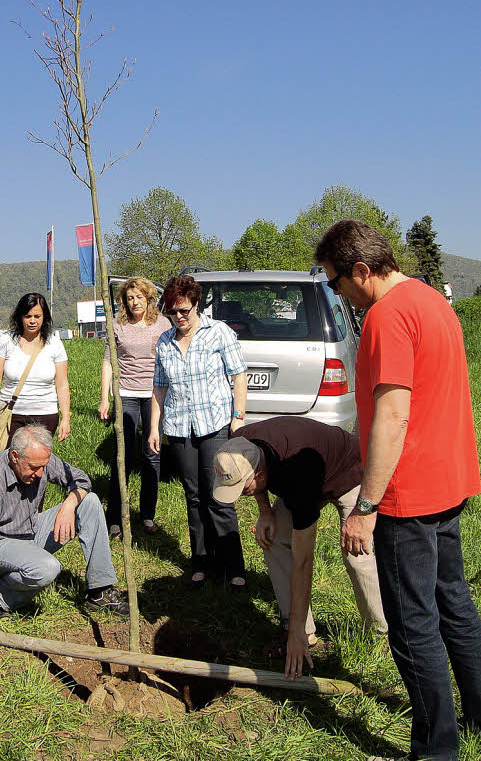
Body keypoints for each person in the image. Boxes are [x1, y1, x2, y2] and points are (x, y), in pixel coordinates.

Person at [314, 219, 481, 761]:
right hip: (450, 481)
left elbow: (391, 415)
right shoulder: (432, 300)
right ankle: (476, 714)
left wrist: (364, 506)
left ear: (361, 270)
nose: (338, 293)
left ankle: (437, 749)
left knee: (413, 626)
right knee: (453, 602)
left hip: (407, 494)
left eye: (337, 282)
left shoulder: (386, 316)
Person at [212, 417, 387, 679]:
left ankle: (379, 633)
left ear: (259, 474)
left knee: (357, 555)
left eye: (243, 490)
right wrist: (265, 513)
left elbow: (304, 562)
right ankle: (302, 630)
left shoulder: (297, 475)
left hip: (348, 472)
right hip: (300, 477)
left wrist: (293, 637)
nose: (241, 496)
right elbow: (255, 482)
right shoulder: (240, 446)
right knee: (272, 538)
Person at [0, 425, 128, 633]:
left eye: (44, 466)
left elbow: (81, 480)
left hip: (29, 531)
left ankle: (99, 591)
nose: (41, 473)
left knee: (89, 502)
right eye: (34, 467)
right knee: (47, 568)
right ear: (15, 456)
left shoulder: (39, 460)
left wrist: (69, 505)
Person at [148, 275, 248, 590]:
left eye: (184, 311)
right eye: (172, 312)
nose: (179, 318)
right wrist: (154, 425)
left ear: (196, 306)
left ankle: (233, 567)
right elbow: (159, 388)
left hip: (214, 424)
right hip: (179, 428)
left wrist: (238, 416)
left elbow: (239, 375)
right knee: (193, 496)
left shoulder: (219, 333)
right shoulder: (164, 342)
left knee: (219, 494)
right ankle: (201, 562)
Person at [98, 276, 172, 539]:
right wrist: (105, 398)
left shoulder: (162, 324)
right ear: (124, 302)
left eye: (139, 297)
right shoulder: (117, 324)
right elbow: (108, 360)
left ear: (149, 298)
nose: (134, 302)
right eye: (130, 298)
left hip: (153, 394)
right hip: (126, 393)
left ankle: (148, 515)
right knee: (124, 455)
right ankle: (115, 517)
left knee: (152, 453)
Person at [0, 293, 70, 443]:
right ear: (20, 317)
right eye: (27, 316)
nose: (32, 321)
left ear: (44, 317)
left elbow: (62, 384)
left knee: (38, 462)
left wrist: (65, 418)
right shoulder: (5, 341)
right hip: (11, 415)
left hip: (45, 415)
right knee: (9, 460)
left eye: (37, 316)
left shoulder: (55, 344)